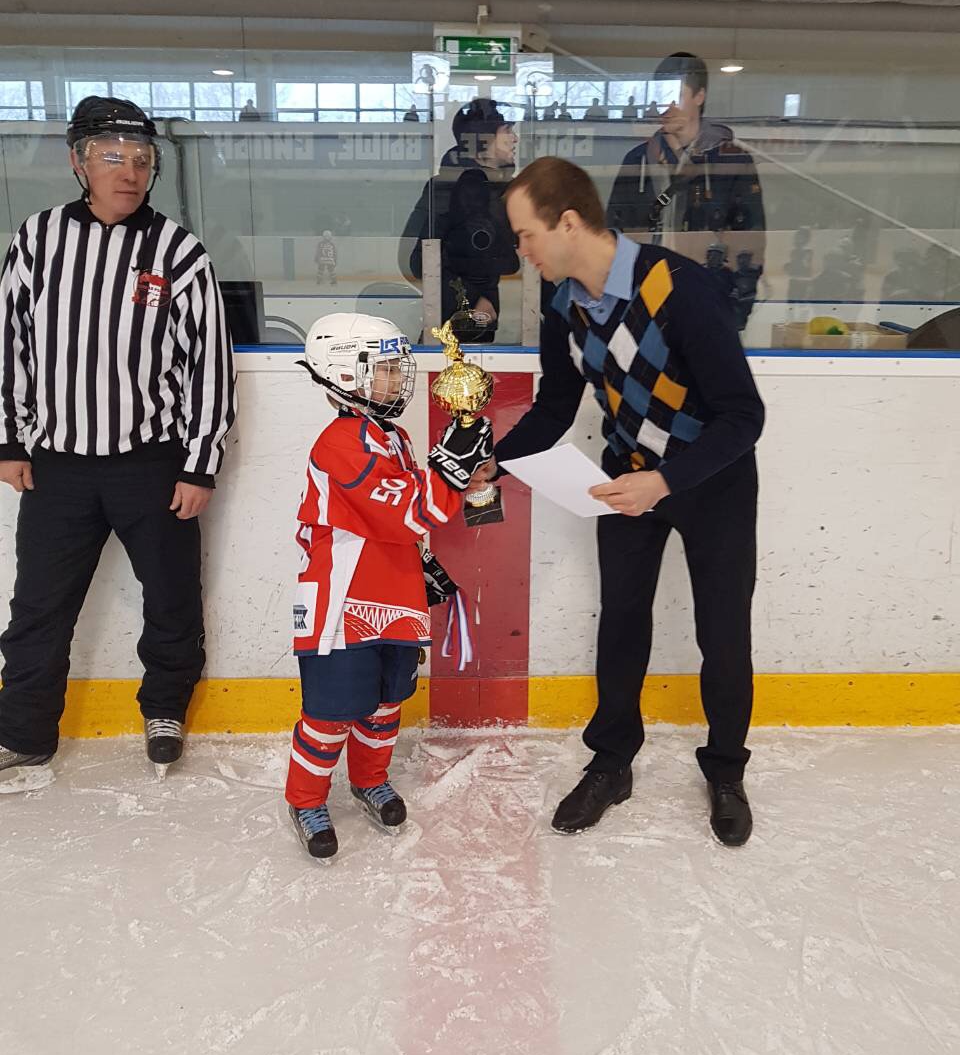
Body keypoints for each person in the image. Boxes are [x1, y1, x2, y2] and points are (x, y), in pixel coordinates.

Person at [478, 157, 764, 846]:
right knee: (622, 623)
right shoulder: (561, 306)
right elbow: (555, 407)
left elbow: (743, 416)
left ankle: (726, 770)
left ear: (568, 223)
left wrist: (664, 482)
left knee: (723, 632)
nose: (521, 251)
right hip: (625, 478)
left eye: (526, 235)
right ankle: (611, 762)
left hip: (713, 482)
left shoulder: (679, 288)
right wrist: (497, 461)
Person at [0, 96, 236, 777]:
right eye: (112, 157)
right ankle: (23, 731)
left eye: (141, 159)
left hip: (153, 465)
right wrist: (10, 440)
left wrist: (199, 464)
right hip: (57, 466)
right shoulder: (38, 238)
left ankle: (165, 707)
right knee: (38, 606)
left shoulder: (179, 251)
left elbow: (209, 365)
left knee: (171, 596)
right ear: (79, 162)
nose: (129, 172)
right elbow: (10, 343)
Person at [285, 312, 492, 859]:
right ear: (344, 374)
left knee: (384, 704)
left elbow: (416, 499)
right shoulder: (338, 444)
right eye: (385, 369)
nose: (398, 378)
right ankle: (305, 799)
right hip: (342, 603)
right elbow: (405, 512)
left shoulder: (392, 437)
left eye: (397, 367)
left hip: (395, 594)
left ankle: (369, 779)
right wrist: (450, 468)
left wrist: (465, 475)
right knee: (331, 713)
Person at [606, 53, 765, 268]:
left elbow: (751, 240)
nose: (666, 106)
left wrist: (732, 288)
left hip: (706, 284)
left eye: (676, 95)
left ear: (699, 96)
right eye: (660, 95)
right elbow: (614, 233)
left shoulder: (732, 161)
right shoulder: (638, 160)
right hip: (648, 283)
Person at [398, 97, 520, 342]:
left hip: (482, 326)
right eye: (507, 130)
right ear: (483, 139)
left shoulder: (502, 190)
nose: (515, 138)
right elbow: (417, 259)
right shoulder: (447, 188)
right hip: (450, 328)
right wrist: (472, 300)